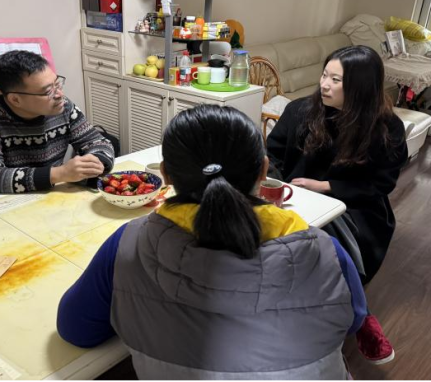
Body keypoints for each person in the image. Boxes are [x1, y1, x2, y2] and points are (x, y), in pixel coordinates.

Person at [57, 105, 366, 381]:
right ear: (263, 170)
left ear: (165, 175)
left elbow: (76, 330)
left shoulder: (129, 242)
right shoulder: (325, 250)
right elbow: (352, 321)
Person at [267, 45, 408, 365]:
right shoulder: (301, 111)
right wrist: (278, 185)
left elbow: (381, 184)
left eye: (336, 80)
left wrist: (325, 187)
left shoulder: (385, 127)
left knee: (326, 241)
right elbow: (271, 154)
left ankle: (359, 316)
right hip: (294, 198)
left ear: (360, 87)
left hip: (356, 205)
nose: (324, 85)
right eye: (324, 75)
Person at [0, 51, 114, 197]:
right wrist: (59, 174)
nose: (59, 95)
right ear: (15, 99)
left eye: (57, 84)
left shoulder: (64, 108)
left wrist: (95, 162)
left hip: (52, 195)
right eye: (48, 91)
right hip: (4, 203)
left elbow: (98, 142)